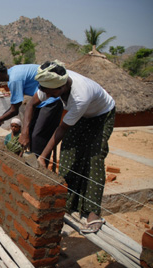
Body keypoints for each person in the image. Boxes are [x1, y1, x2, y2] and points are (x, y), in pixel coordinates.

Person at [20, 60, 116, 233]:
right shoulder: (51, 83)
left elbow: (62, 128)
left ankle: (92, 211)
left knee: (93, 158)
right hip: (82, 114)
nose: (44, 94)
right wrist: (24, 131)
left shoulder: (80, 96)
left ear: (60, 89)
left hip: (101, 115)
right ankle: (67, 203)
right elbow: (30, 105)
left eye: (48, 93)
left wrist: (42, 157)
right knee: (68, 154)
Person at [0, 61, 63, 164]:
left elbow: (14, 110)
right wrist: (0, 120)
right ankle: (32, 163)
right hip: (41, 101)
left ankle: (39, 167)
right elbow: (14, 106)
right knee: (30, 133)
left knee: (37, 136)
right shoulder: (13, 73)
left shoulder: (14, 79)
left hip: (52, 100)